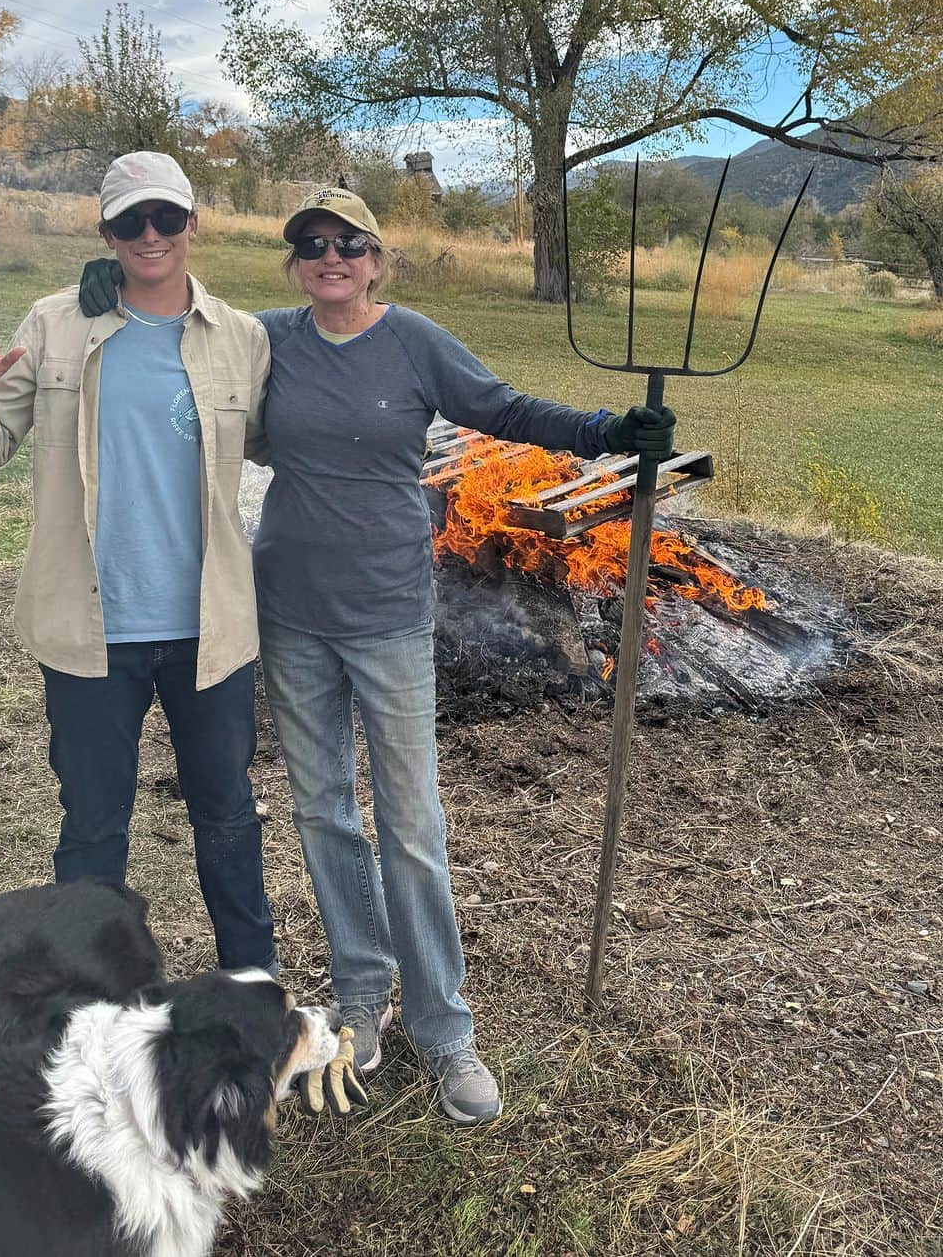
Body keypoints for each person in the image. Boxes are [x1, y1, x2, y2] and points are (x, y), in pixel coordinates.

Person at [79, 187, 676, 1125]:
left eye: (347, 243)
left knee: (411, 825)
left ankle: (444, 1030)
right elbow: (178, 326)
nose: (330, 257)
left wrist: (605, 433)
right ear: (294, 261)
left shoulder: (415, 341)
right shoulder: (268, 336)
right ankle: (362, 994)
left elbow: (500, 405)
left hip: (390, 611)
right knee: (323, 812)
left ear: (376, 255)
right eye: (311, 244)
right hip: (289, 611)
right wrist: (110, 290)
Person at [0, 151, 275, 973]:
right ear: (106, 233)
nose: (150, 235)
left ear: (193, 224)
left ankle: (251, 986)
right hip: (91, 631)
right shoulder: (55, 324)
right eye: (130, 222)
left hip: (210, 629)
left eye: (165, 217)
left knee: (228, 816)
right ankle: (87, 1004)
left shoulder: (244, 337)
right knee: (93, 825)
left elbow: (286, 437)